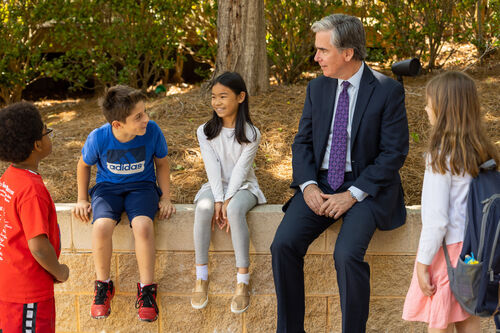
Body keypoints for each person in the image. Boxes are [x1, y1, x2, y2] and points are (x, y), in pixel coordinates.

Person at [270, 14, 409, 333]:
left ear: (348, 53)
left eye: (322, 50)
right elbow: (302, 141)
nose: (316, 57)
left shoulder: (387, 91)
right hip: (319, 183)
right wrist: (306, 186)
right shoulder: (317, 88)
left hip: (365, 189)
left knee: (346, 255)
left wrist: (352, 194)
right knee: (283, 245)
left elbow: (394, 153)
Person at [402, 71, 499, 332]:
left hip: (448, 254)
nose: (425, 108)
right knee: (468, 316)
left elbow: (436, 221)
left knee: (440, 321)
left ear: (444, 108)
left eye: (429, 101)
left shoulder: (441, 158)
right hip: (474, 251)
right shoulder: (482, 152)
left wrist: (423, 263)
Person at [71, 85, 175, 322]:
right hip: (108, 189)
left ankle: (147, 290)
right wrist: (81, 199)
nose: (146, 119)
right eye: (138, 116)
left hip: (142, 187)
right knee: (101, 227)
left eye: (145, 112)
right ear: (117, 124)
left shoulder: (152, 131)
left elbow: (162, 163)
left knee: (143, 226)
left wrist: (166, 197)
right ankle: (103, 286)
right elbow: (83, 165)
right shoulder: (99, 137)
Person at [190, 72, 266, 314]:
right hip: (215, 186)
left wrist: (226, 201)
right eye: (214, 97)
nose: (217, 102)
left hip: (244, 187)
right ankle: (201, 277)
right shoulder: (205, 131)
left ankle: (242, 281)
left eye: (223, 96)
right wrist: (217, 199)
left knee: (234, 210)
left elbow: (241, 172)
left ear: (240, 97)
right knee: (202, 209)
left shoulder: (251, 134)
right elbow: (212, 168)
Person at [0, 102, 70, 333]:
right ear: (37, 144)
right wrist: (59, 271)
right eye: (46, 131)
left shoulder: (9, 178)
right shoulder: (31, 190)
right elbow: (38, 245)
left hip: (8, 286)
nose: (49, 135)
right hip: (28, 294)